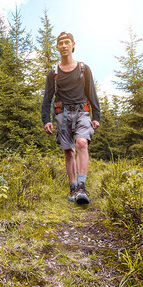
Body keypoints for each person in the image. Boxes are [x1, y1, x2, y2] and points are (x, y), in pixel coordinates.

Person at [41, 32, 101, 205]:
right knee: (69, 151)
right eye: (61, 43)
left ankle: (82, 187)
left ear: (73, 45)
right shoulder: (53, 72)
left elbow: (92, 94)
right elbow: (47, 98)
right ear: (58, 47)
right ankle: (73, 187)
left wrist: (96, 116)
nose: (64, 45)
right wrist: (46, 120)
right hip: (62, 114)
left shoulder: (83, 69)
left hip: (82, 112)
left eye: (67, 42)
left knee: (81, 143)